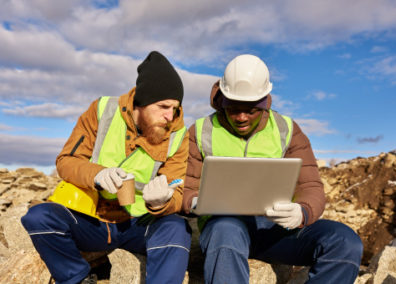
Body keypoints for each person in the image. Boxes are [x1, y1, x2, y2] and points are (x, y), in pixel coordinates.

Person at [182, 54, 363, 284]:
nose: (241, 117)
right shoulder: (201, 131)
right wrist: (195, 200)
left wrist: (303, 211)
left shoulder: (286, 129)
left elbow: (310, 186)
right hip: (223, 228)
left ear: (265, 101)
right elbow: (182, 184)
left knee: (345, 242)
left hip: (276, 230)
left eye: (250, 109)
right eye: (233, 107)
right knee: (225, 231)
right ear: (223, 98)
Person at [21, 51, 191, 284]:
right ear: (141, 102)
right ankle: (77, 278)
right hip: (92, 218)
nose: (170, 116)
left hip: (138, 222)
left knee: (176, 227)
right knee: (39, 217)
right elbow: (67, 160)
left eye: (175, 108)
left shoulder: (179, 135)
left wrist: (162, 202)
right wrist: (97, 174)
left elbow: (178, 189)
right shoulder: (102, 111)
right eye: (163, 107)